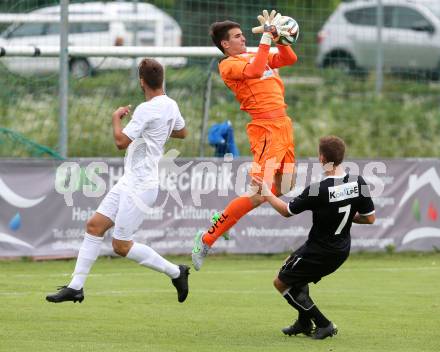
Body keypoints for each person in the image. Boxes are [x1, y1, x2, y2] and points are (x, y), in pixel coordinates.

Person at [46, 58, 190, 304]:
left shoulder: (146, 109)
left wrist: (116, 118)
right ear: (162, 79)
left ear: (141, 82)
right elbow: (182, 132)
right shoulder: (170, 104)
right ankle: (76, 286)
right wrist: (153, 130)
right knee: (94, 226)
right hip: (130, 180)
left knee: (121, 246)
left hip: (141, 185)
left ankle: (176, 272)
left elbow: (120, 142)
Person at [192, 10, 298, 270]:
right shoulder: (228, 65)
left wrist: (278, 36)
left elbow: (289, 58)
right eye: (237, 37)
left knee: (285, 185)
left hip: (282, 124)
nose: (242, 39)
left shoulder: (253, 54)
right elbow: (255, 71)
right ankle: (208, 237)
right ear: (225, 44)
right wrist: (265, 39)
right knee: (260, 192)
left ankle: (227, 216)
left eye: (242, 35)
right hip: (265, 128)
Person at [254, 135, 375, 339]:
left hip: (320, 250)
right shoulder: (358, 181)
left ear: (321, 158)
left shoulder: (318, 190)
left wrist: (267, 193)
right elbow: (369, 218)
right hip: (340, 249)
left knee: (281, 282)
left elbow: (286, 211)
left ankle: (324, 324)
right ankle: (303, 322)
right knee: (292, 267)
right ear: (342, 157)